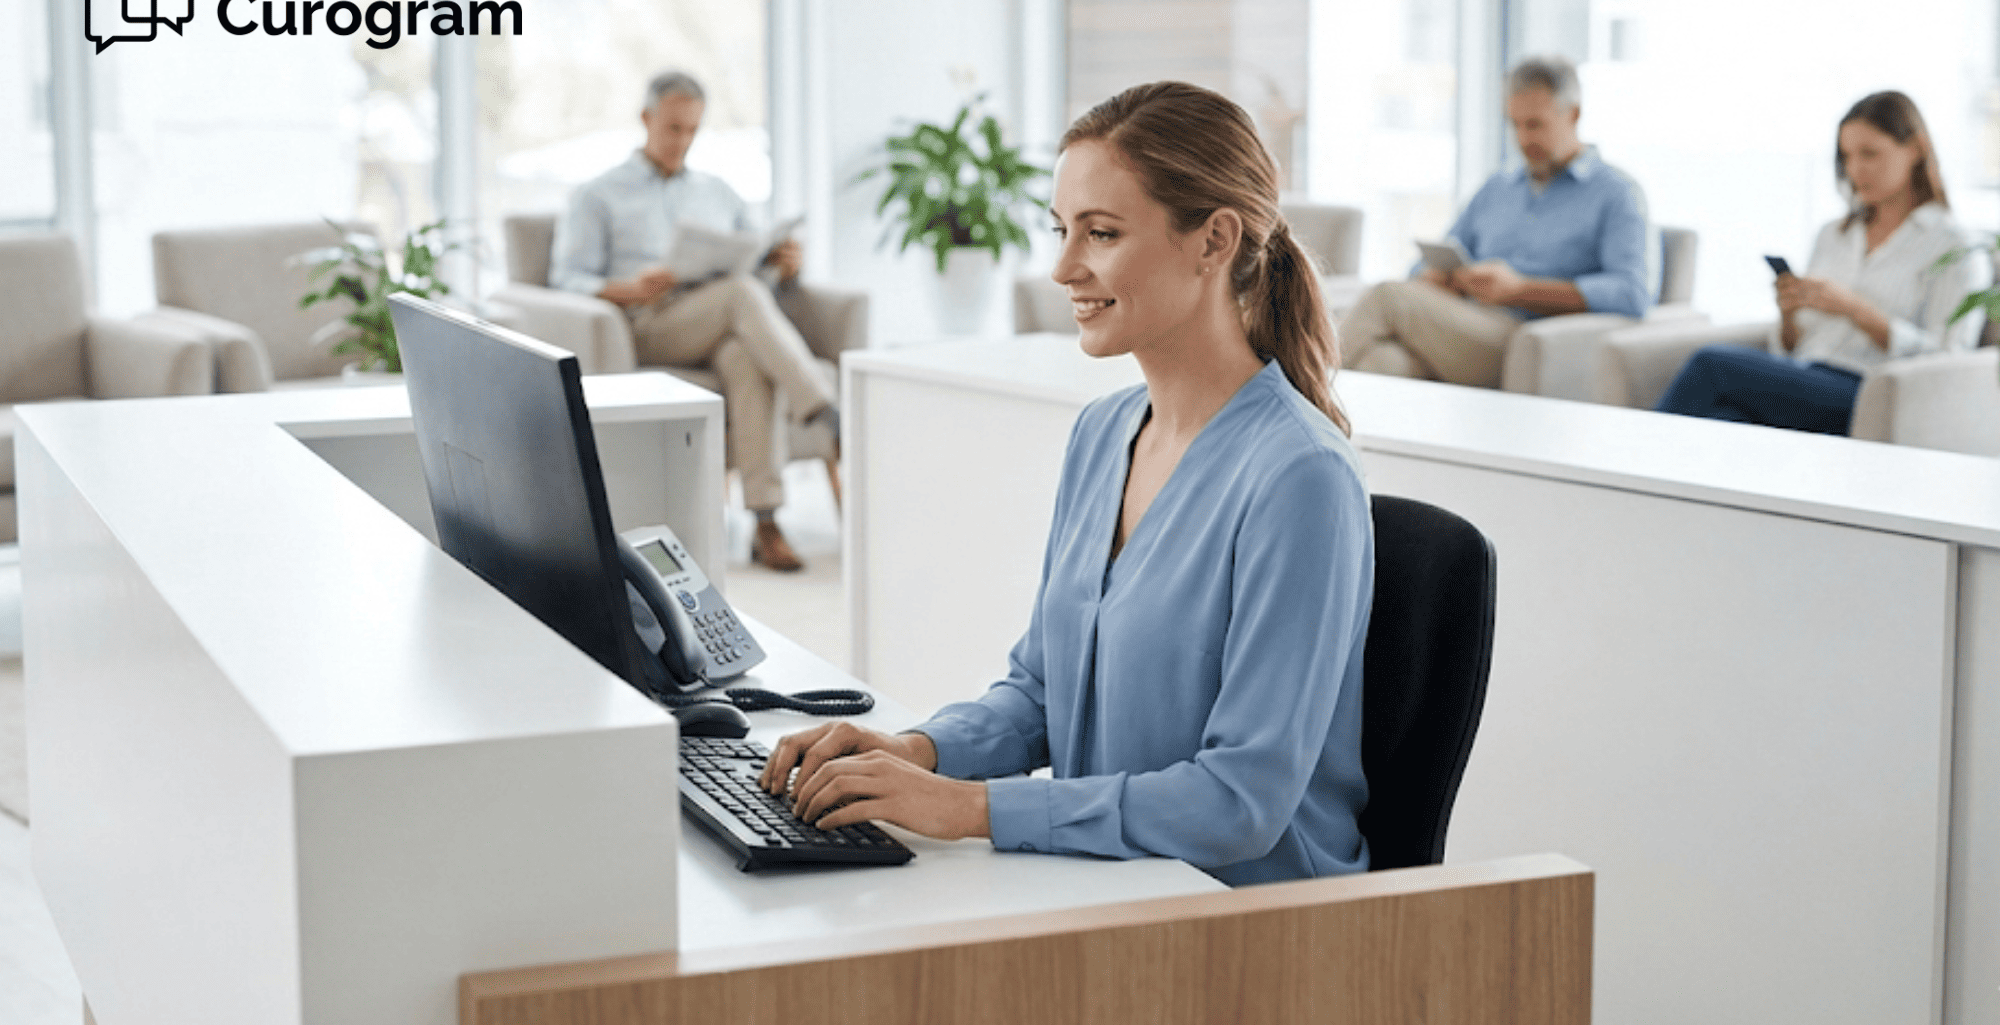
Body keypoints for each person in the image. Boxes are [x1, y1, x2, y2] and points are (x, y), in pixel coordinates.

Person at [758, 82, 1375, 886]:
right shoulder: (1103, 434)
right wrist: (914, 752)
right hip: (1109, 884)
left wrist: (969, 808)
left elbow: (1240, 801)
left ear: (1214, 240)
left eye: (1103, 233)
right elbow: (1043, 691)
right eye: (1061, 230)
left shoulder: (1302, 478)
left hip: (1245, 921)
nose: (1063, 267)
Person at [551, 70, 837, 572]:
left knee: (745, 355)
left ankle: (765, 521)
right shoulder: (598, 194)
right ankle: (824, 408)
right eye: (673, 129)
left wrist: (783, 262)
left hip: (720, 319)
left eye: (692, 131)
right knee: (741, 298)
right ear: (646, 119)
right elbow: (566, 278)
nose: (682, 142)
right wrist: (631, 288)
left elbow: (754, 265)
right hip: (647, 324)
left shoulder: (718, 192)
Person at [1656, 91, 1983, 433]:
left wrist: (1858, 311)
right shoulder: (1834, 234)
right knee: (1723, 423)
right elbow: (1791, 347)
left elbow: (1950, 360)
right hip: (1803, 378)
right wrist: (1788, 314)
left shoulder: (1956, 246)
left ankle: (1626, 461)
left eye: (1870, 154)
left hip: (1868, 391)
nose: (1856, 170)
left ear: (1915, 149)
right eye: (1847, 156)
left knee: (1711, 364)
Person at [1338, 55, 1650, 386]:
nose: (1523, 139)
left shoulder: (1616, 193)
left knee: (1387, 296)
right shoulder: (1499, 187)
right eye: (1514, 124)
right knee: (1382, 364)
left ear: (1573, 114)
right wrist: (1435, 277)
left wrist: (1519, 290)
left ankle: (1289, 389)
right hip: (1459, 325)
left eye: (1534, 124)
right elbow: (1438, 255)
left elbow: (1631, 292)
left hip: (1524, 338)